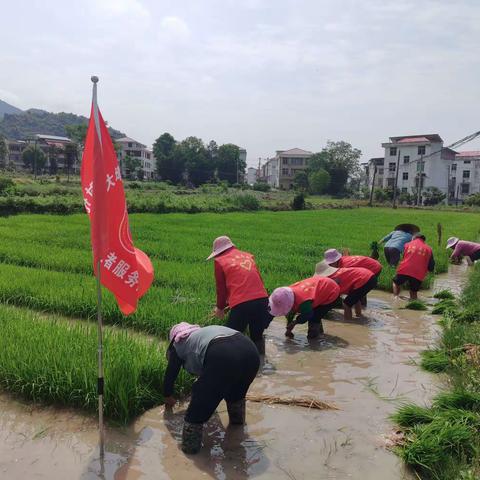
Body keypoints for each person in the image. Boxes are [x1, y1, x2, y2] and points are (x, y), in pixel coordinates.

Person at [163, 322, 260, 454]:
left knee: (196, 412)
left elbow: (170, 374)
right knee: (236, 395)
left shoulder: (178, 344)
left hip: (223, 354)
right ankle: (237, 428)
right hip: (251, 352)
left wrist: (167, 396)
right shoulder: (203, 333)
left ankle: (190, 450)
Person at [207, 236, 272, 355]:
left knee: (230, 338)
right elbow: (257, 281)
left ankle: (230, 368)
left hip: (243, 304)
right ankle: (261, 367)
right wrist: (229, 304)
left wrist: (220, 308)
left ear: (218, 252)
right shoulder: (247, 256)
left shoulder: (220, 261)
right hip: (262, 299)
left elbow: (221, 289)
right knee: (257, 337)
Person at [268, 276, 340, 339]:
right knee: (314, 312)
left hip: (331, 291)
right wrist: (289, 329)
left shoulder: (303, 301)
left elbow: (307, 315)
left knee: (314, 317)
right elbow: (290, 313)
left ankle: (314, 339)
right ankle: (320, 333)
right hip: (318, 286)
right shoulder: (287, 294)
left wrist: (295, 322)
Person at [393, 233, 435, 300]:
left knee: (396, 283)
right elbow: (431, 265)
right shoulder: (429, 249)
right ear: (423, 240)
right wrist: (430, 270)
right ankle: (413, 303)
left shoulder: (407, 245)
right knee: (413, 292)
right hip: (419, 273)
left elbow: (404, 257)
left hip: (405, 269)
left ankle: (395, 298)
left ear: (414, 238)